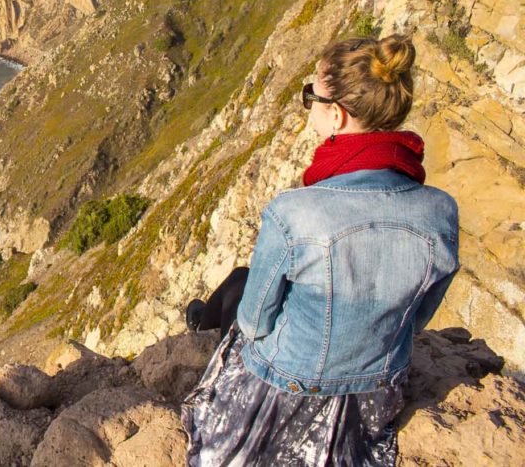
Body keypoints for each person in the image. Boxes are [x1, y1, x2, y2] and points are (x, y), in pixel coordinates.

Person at [180, 34, 460, 467]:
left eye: (310, 95)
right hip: (372, 397)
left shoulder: (295, 213)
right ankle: (202, 317)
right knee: (243, 278)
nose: (307, 104)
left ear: (337, 115)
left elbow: (254, 325)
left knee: (241, 286)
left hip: (286, 391)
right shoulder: (441, 213)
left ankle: (200, 323)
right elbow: (417, 318)